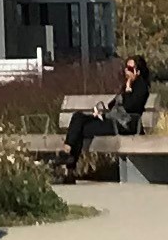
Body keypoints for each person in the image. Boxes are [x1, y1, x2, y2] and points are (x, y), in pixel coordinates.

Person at [56, 53, 155, 181]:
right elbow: (111, 105)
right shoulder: (126, 86)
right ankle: (67, 150)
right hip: (111, 120)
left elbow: (129, 107)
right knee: (78, 117)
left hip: (123, 125)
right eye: (126, 68)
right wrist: (100, 113)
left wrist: (128, 89)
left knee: (80, 130)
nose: (126, 71)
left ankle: (69, 168)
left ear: (138, 72)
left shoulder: (141, 87)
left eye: (130, 69)